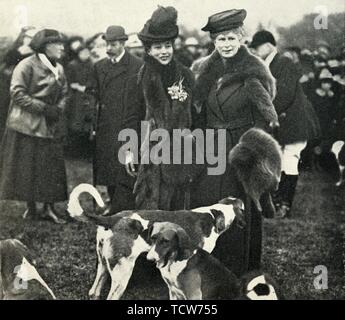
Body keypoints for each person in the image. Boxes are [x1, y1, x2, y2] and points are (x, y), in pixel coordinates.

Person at [190, 9, 279, 276]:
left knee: (238, 208)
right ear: (213, 42)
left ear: (242, 38)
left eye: (231, 38)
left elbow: (268, 118)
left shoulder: (253, 72)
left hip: (240, 151)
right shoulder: (204, 71)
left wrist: (250, 150)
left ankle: (238, 268)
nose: (226, 45)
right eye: (221, 40)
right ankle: (209, 265)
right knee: (208, 203)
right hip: (210, 148)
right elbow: (198, 112)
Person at [126, 5, 196, 210]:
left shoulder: (186, 75)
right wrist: (129, 150)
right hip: (152, 151)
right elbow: (131, 116)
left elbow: (197, 113)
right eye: (157, 47)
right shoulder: (140, 78)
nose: (164, 51)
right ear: (148, 50)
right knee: (152, 206)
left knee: (179, 206)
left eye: (167, 45)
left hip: (181, 150)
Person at [0, 29, 68, 224]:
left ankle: (49, 207)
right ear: (46, 47)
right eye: (58, 44)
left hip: (50, 125)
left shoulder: (60, 69)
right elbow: (17, 93)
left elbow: (65, 92)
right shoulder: (26, 65)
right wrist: (44, 108)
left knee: (51, 167)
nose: (62, 47)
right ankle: (30, 208)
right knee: (27, 167)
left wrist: (58, 109)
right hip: (26, 126)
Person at [250, 30, 320, 218]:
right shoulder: (268, 64)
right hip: (282, 121)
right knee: (279, 161)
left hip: (295, 121)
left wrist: (264, 112)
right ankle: (277, 202)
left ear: (268, 46)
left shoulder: (284, 62)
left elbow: (284, 94)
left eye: (257, 48)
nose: (255, 51)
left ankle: (284, 205)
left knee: (290, 160)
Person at [86, 25, 142, 214]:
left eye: (114, 44)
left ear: (124, 43)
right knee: (107, 166)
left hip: (127, 122)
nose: (110, 48)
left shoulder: (136, 66)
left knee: (125, 165)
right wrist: (94, 119)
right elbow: (91, 92)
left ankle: (122, 205)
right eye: (108, 44)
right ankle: (112, 202)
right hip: (105, 125)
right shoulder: (99, 66)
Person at [65, 45, 94, 158]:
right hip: (75, 98)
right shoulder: (72, 65)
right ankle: (74, 152)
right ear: (78, 53)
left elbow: (93, 80)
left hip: (88, 96)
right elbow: (69, 81)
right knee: (75, 123)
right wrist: (76, 87)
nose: (85, 55)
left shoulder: (92, 65)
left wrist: (86, 87)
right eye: (83, 52)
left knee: (87, 124)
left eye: (87, 52)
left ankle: (85, 152)